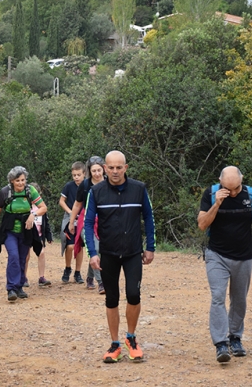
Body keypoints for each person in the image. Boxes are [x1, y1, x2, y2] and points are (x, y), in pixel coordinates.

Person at [198, 166, 252, 363]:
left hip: (244, 256)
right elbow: (202, 224)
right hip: (216, 255)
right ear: (221, 183)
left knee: (239, 300)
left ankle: (235, 338)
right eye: (228, 189)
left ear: (241, 180)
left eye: (236, 188)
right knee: (218, 296)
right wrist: (217, 204)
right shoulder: (211, 194)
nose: (233, 192)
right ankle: (220, 344)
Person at [84, 151, 155, 363]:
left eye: (119, 167)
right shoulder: (96, 192)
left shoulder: (139, 188)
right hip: (108, 253)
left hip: (133, 252)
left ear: (126, 167)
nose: (115, 171)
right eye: (111, 167)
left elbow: (149, 217)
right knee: (111, 298)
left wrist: (150, 246)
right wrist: (92, 253)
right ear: (104, 168)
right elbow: (87, 223)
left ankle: (131, 339)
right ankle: (114, 344)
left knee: (133, 294)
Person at [0, 166, 47, 302]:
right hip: (9, 229)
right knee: (14, 256)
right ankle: (11, 288)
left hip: (26, 229)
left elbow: (43, 208)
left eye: (23, 180)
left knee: (23, 257)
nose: (21, 183)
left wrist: (32, 215)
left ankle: (19, 287)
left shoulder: (31, 190)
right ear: (11, 181)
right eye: (17, 180)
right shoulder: (5, 192)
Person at [69, 157, 106, 292]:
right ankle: (101, 282)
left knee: (98, 250)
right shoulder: (85, 185)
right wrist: (71, 222)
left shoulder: (110, 183)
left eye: (99, 170)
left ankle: (90, 277)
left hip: (104, 221)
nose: (97, 173)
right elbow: (77, 204)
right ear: (89, 171)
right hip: (86, 221)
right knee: (95, 248)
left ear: (104, 169)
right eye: (94, 171)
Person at [59, 161, 86, 283]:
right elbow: (61, 201)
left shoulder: (88, 186)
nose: (76, 177)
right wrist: (71, 213)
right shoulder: (69, 186)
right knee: (69, 246)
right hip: (70, 218)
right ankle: (68, 268)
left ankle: (78, 272)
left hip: (83, 219)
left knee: (79, 246)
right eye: (74, 175)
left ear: (84, 174)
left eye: (78, 175)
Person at [24, 182, 53, 287]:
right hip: (27, 234)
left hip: (39, 235)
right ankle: (23, 278)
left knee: (41, 253)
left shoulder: (42, 208)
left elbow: (46, 223)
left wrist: (48, 236)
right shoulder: (25, 207)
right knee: (26, 256)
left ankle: (41, 277)